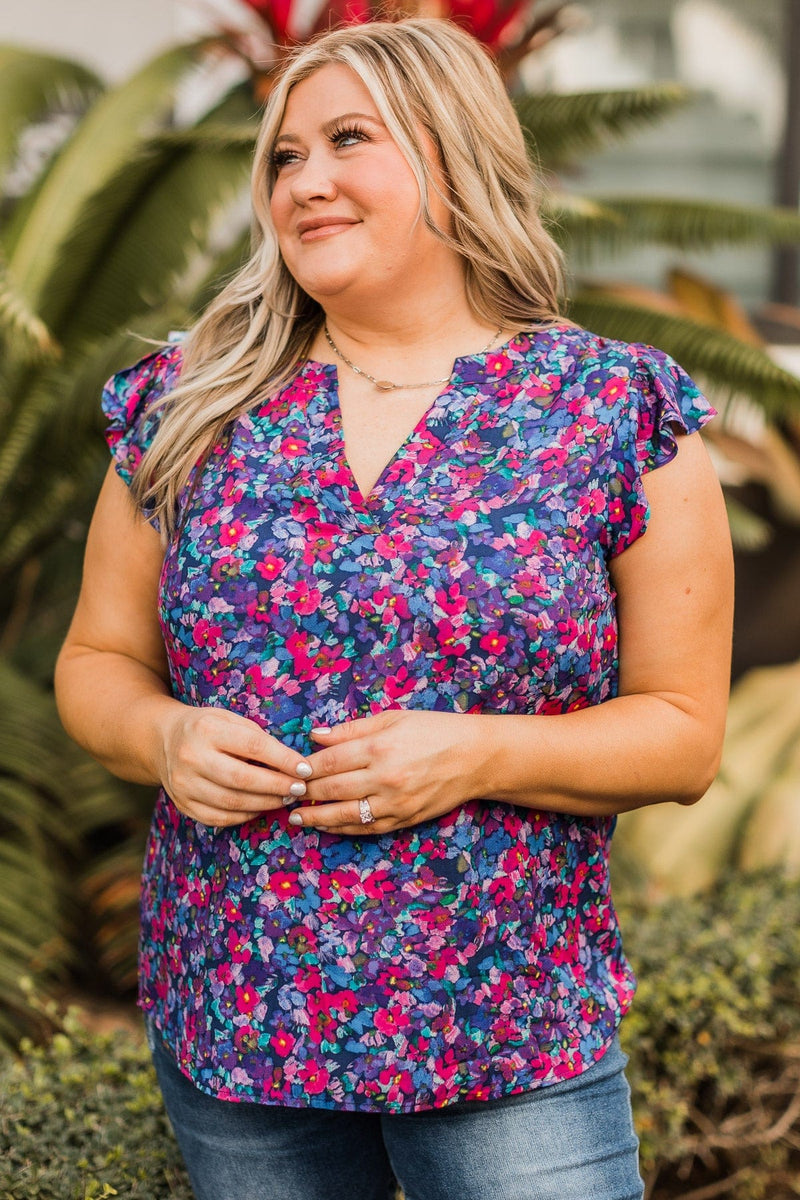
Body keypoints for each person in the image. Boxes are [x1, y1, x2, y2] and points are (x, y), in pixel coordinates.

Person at [54, 16, 733, 1200]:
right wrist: (162, 736)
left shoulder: (611, 412)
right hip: (242, 1024)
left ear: (453, 153)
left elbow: (680, 732)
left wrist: (472, 755)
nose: (304, 180)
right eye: (282, 155)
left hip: (505, 1033)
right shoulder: (187, 404)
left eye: (347, 140)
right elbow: (98, 658)